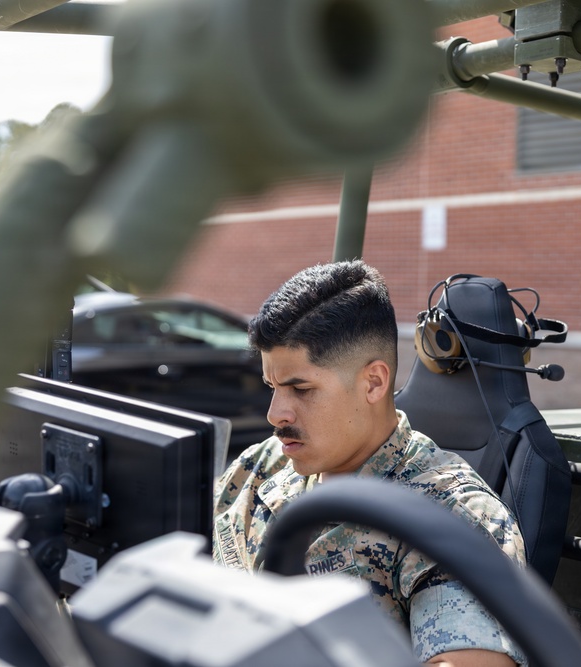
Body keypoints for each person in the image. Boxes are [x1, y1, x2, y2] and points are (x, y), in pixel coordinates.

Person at [213, 261, 526, 667]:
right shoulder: (259, 469)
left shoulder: (450, 518)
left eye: (301, 389)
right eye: (273, 387)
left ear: (374, 383)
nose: (276, 414)